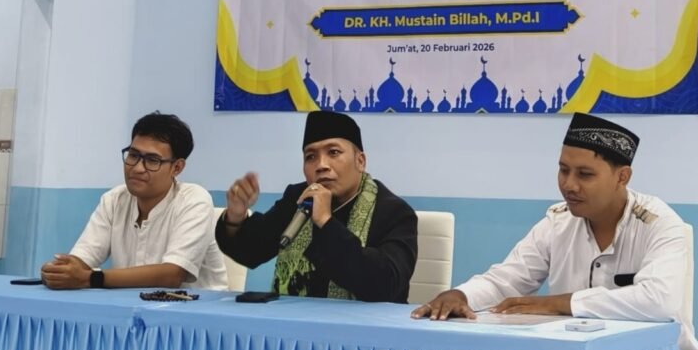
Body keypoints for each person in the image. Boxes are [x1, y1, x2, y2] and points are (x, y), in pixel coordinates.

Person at [411, 112, 698, 350]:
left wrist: (561, 303)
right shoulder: (558, 222)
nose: (569, 185)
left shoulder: (659, 224)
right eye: (563, 170)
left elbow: (659, 300)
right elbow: (506, 280)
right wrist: (461, 295)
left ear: (622, 177)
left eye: (585, 174)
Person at [216, 111, 417, 302]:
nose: (321, 165)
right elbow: (253, 251)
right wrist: (235, 216)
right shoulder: (299, 199)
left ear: (360, 161)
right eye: (311, 157)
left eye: (333, 152)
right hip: (296, 322)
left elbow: (386, 283)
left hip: (366, 325)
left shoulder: (394, 212)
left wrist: (325, 222)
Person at [41, 112, 228, 290]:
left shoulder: (194, 200)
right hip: (129, 306)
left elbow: (172, 275)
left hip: (194, 310)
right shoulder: (114, 200)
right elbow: (82, 259)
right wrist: (61, 271)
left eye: (152, 160)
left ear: (177, 168)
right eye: (133, 155)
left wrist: (91, 278)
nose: (138, 168)